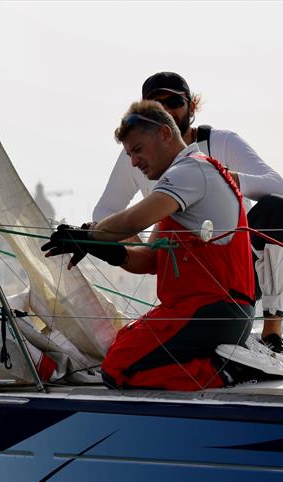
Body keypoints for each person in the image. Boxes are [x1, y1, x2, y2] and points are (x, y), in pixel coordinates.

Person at [43, 100, 259, 391]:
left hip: (213, 311)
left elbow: (133, 220)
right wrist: (98, 247)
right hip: (207, 312)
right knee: (123, 349)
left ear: (165, 135)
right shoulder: (180, 189)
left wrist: (87, 234)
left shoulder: (190, 172)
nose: (133, 162)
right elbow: (148, 260)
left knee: (119, 369)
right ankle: (223, 365)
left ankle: (229, 371)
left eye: (138, 149)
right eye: (129, 154)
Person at [93, 72, 283, 353]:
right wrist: (142, 251)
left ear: (191, 107)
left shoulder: (218, 147)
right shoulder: (138, 154)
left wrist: (220, 178)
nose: (167, 110)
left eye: (173, 102)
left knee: (281, 210)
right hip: (184, 265)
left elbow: (280, 187)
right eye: (157, 105)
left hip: (232, 264)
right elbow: (105, 211)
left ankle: (272, 333)